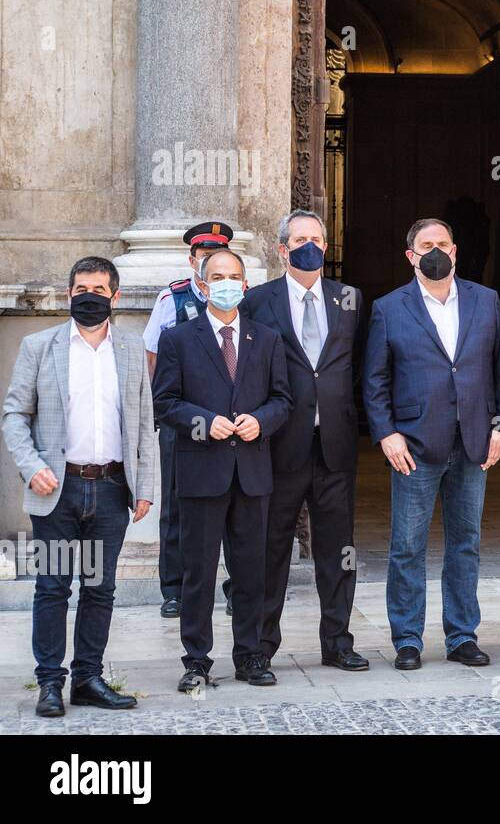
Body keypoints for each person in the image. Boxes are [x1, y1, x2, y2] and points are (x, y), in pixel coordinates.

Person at [2, 257, 157, 717]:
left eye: (98, 289)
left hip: (110, 489)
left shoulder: (130, 350)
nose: (88, 296)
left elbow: (143, 423)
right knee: (52, 587)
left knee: (99, 587)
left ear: (115, 296)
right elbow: (14, 414)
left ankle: (88, 678)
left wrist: (144, 485)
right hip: (57, 491)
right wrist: (31, 466)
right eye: (80, 289)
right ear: (69, 294)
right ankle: (50, 682)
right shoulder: (38, 347)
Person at [363, 218, 500, 670]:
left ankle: (462, 635)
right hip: (413, 445)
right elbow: (374, 379)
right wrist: (386, 433)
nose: (435, 251)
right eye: (425, 245)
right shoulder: (389, 308)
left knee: (465, 542)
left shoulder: (485, 301)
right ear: (410, 255)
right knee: (407, 545)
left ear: (455, 250)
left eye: (442, 244)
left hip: (473, 441)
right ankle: (408, 639)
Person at [153, 248, 293, 691]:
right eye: (218, 276)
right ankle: (196, 659)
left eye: (234, 275)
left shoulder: (266, 339)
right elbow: (165, 402)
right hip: (201, 474)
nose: (227, 283)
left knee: (252, 571)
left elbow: (282, 399)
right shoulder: (179, 339)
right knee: (199, 572)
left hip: (252, 474)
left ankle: (251, 655)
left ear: (245, 284)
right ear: (203, 282)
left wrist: (262, 421)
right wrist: (204, 423)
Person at [242, 209, 369, 672]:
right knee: (271, 549)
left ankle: (337, 641)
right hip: (279, 446)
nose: (309, 245)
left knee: (339, 551)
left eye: (316, 237)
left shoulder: (350, 299)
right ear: (282, 249)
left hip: (334, 446)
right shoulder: (258, 301)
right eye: (300, 239)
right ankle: (259, 648)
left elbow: (359, 367)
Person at [142, 221, 235, 618]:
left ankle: (235, 588)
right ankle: (175, 589)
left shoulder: (240, 296)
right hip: (182, 419)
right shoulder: (173, 298)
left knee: (237, 504)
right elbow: (152, 356)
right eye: (204, 255)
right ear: (192, 259)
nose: (210, 260)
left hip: (232, 419)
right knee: (177, 505)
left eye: (218, 253)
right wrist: (165, 407)